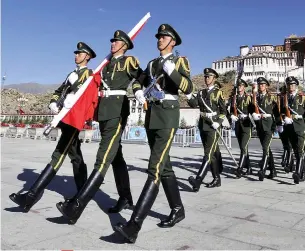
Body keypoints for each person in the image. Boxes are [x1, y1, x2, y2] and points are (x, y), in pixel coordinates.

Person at [113, 24, 193, 244]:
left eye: (164, 37)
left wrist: (172, 72)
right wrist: (138, 90)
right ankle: (177, 209)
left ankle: (134, 225)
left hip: (167, 115)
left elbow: (187, 88)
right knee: (164, 166)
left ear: (172, 42)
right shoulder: (151, 63)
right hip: (152, 115)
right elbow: (141, 80)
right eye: (158, 37)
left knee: (154, 168)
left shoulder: (179, 61)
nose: (159, 39)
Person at [56, 30, 140, 223]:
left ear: (125, 45)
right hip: (104, 113)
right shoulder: (105, 64)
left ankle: (76, 206)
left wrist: (138, 91)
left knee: (102, 158)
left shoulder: (129, 61)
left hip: (117, 111)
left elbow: (140, 78)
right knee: (116, 157)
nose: (112, 43)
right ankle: (125, 198)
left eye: (116, 41)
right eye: (112, 40)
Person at [9, 42, 96, 212]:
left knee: (58, 154)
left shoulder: (89, 74)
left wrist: (76, 84)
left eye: (79, 53)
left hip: (74, 119)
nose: (75, 56)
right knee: (75, 155)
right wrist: (53, 103)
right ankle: (83, 193)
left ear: (87, 56)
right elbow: (59, 91)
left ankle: (31, 196)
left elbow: (86, 94)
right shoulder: (71, 73)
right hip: (64, 117)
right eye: (76, 53)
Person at [187, 68, 226, 191]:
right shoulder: (201, 93)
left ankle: (197, 181)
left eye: (209, 77)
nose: (206, 78)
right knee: (212, 155)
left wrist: (218, 122)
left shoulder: (218, 93)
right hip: (203, 124)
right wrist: (188, 95)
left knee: (208, 154)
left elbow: (224, 111)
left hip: (213, 126)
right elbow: (194, 104)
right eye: (205, 76)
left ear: (214, 79)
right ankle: (217, 179)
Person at [280, 76, 305, 184]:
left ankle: (297, 173)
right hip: (289, 127)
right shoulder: (284, 97)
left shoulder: (302, 97)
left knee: (299, 151)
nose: (291, 86)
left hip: (300, 127)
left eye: (293, 85)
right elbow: (280, 111)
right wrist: (281, 121)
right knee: (296, 152)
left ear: (296, 86)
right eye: (289, 85)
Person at [251, 77, 280, 181]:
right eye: (260, 84)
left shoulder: (271, 97)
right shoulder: (255, 97)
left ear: (266, 86)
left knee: (265, 148)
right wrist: (253, 114)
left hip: (269, 126)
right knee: (267, 148)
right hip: (259, 126)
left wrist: (279, 125)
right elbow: (251, 108)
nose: (261, 86)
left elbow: (276, 112)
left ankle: (262, 170)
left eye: (263, 84)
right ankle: (273, 170)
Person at [228, 78, 254, 178]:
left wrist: (248, 115)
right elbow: (230, 110)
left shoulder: (249, 98)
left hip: (247, 125)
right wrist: (231, 116)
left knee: (243, 147)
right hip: (238, 124)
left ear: (244, 87)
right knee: (243, 148)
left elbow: (253, 110)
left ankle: (240, 168)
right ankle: (249, 168)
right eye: (238, 86)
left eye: (241, 86)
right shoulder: (233, 98)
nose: (239, 87)